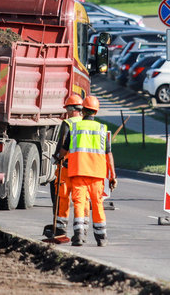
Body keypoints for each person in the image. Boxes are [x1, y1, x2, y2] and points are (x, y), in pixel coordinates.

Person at [58, 95, 117, 247]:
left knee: (79, 202)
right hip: (97, 175)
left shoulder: (75, 128)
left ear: (82, 111)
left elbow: (64, 150)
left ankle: (78, 236)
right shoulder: (102, 129)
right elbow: (108, 154)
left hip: (78, 172)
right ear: (96, 113)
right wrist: (112, 176)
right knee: (97, 203)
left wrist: (57, 158)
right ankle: (101, 237)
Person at [50, 94, 86, 238]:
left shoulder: (68, 123)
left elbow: (62, 144)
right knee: (80, 199)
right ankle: (81, 230)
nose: (67, 112)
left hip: (67, 166)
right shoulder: (84, 123)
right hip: (81, 167)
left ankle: (60, 229)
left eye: (68, 109)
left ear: (72, 109)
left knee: (61, 196)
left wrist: (56, 157)